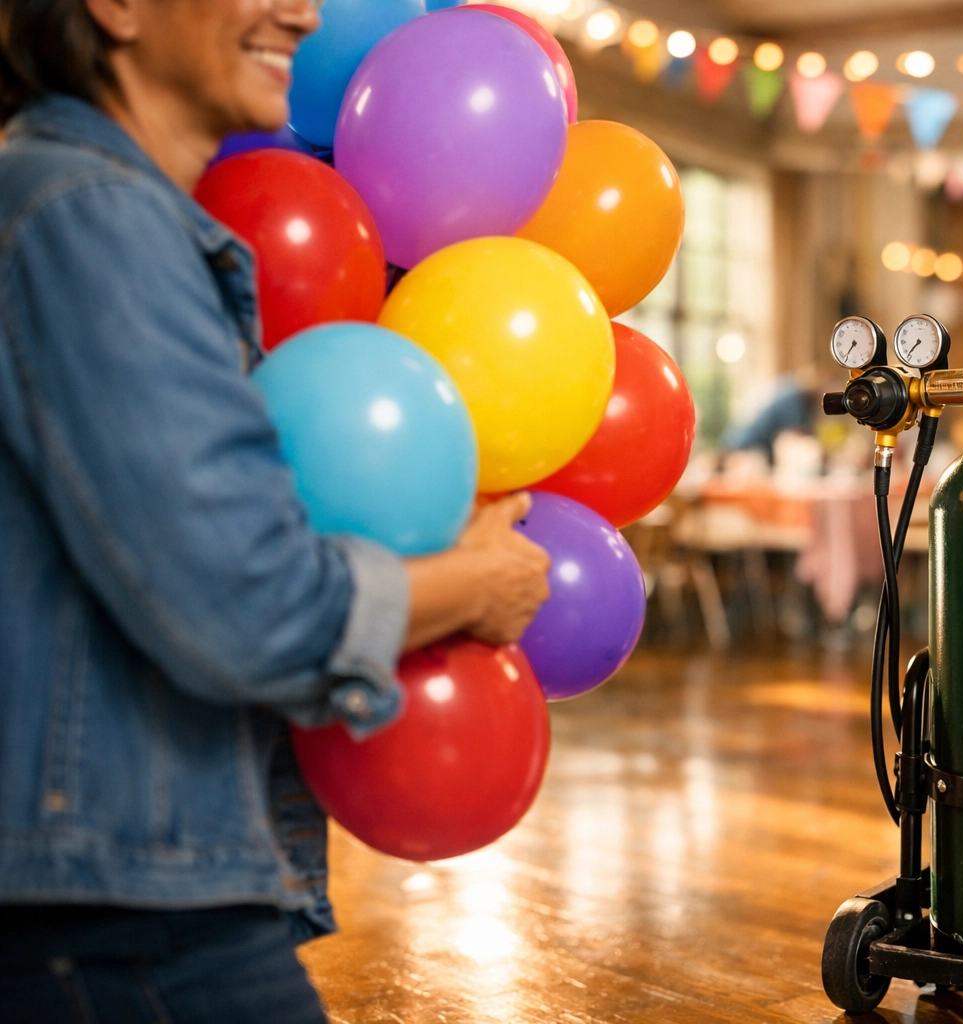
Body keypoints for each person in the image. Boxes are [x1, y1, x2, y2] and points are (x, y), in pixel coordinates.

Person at [0, 1, 552, 1019]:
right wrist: (473, 583)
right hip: (118, 919)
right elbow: (241, 601)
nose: (302, 10)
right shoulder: (87, 213)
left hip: (141, 888)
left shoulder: (104, 211)